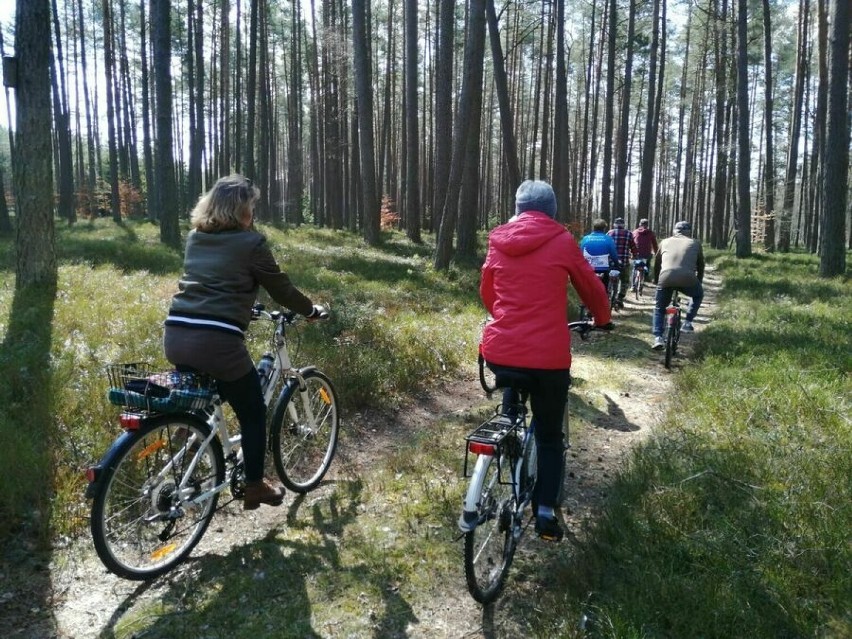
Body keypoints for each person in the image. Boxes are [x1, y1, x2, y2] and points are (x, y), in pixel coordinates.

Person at [163, 174, 327, 510]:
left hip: (177, 334)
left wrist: (243, 303)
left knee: (211, 398)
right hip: (217, 343)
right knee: (253, 410)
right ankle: (254, 486)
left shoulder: (196, 237)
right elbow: (281, 289)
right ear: (241, 210)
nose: (253, 212)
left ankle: (192, 442)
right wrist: (311, 310)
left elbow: (211, 281)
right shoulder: (251, 244)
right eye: (251, 205)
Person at [479, 180, 613, 542]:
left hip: (501, 350)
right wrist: (602, 318)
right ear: (551, 210)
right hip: (548, 359)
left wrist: (506, 318)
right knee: (551, 436)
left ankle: (506, 441)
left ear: (519, 208)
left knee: (513, 404)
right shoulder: (562, 240)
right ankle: (544, 511)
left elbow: (488, 290)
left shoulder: (499, 239)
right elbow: (591, 286)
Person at [650, 220, 704, 350]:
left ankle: (658, 337)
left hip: (666, 278)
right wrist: (699, 281)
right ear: (688, 232)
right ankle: (687, 322)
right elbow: (701, 265)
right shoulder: (695, 243)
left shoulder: (664, 242)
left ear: (675, 231)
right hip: (688, 279)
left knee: (659, 308)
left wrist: (657, 280)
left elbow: (657, 264)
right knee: (698, 295)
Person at [580, 219, 620, 303]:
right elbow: (613, 255)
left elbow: (580, 253)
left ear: (593, 228)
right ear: (604, 229)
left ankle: (585, 304)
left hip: (588, 268)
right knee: (604, 288)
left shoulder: (585, 239)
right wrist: (617, 264)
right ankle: (603, 303)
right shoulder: (608, 239)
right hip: (603, 269)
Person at [606, 217, 636, 308]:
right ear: (623, 225)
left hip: (610, 262)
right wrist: (635, 255)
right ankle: (620, 298)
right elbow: (633, 247)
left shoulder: (609, 233)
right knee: (625, 281)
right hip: (623, 262)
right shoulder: (629, 234)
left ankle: (607, 295)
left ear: (614, 224)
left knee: (607, 279)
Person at [631, 218, 658, 292]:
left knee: (635, 268)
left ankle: (633, 286)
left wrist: (631, 252)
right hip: (647, 254)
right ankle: (644, 278)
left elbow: (631, 243)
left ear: (640, 224)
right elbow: (655, 244)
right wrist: (656, 253)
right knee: (647, 264)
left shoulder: (635, 232)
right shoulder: (651, 233)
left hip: (637, 253)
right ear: (647, 225)